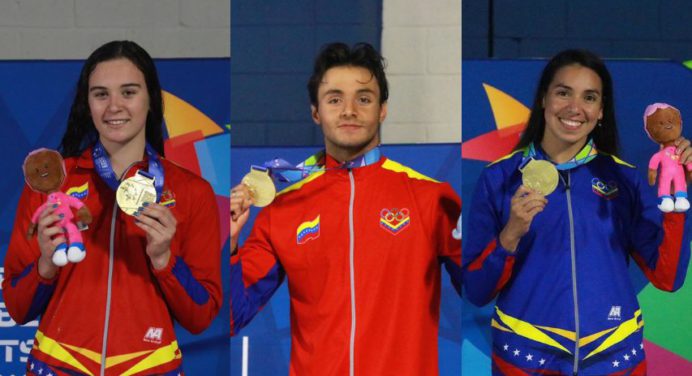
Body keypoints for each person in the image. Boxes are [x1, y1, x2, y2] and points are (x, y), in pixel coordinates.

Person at [230, 42, 461, 375]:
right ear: (316, 111)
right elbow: (234, 316)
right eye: (335, 99)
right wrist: (233, 244)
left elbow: (479, 287)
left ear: (383, 109)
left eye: (363, 98)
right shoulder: (284, 208)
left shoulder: (430, 197)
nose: (349, 110)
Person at [462, 49, 691, 375]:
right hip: (525, 360)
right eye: (563, 93)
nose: (575, 108)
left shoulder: (623, 179)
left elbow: (668, 278)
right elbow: (477, 290)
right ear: (544, 99)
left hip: (614, 359)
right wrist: (511, 233)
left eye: (589, 97)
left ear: (600, 111)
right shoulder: (499, 178)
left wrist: (678, 191)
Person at [2, 40, 222, 375]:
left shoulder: (192, 192)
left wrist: (164, 260)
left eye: (129, 92)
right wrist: (46, 264)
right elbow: (17, 309)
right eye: (101, 94)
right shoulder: (53, 183)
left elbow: (200, 316)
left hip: (149, 367)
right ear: (87, 103)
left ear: (150, 100)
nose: (113, 106)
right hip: (60, 366)